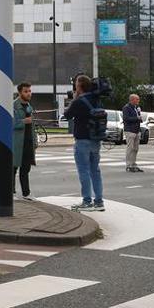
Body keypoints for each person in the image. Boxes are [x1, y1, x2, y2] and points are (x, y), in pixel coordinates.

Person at [65, 74, 106, 211]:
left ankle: (87, 201)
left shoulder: (79, 101)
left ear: (79, 86)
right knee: (95, 170)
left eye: (76, 83)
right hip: (95, 139)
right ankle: (99, 201)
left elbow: (67, 115)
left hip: (82, 139)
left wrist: (75, 98)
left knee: (84, 171)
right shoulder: (97, 99)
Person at [12, 82, 36, 200]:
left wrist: (35, 142)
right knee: (14, 167)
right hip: (17, 142)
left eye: (29, 91)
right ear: (20, 92)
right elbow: (10, 123)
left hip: (28, 142)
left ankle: (26, 193)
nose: (28, 93)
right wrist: (22, 122)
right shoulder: (14, 106)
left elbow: (33, 126)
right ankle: (11, 192)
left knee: (26, 169)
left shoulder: (29, 107)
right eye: (26, 91)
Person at [123, 93, 144, 173]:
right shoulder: (126, 108)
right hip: (130, 130)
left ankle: (134, 164)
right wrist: (137, 118)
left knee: (136, 149)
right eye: (137, 99)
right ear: (132, 100)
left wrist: (139, 118)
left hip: (137, 130)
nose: (138, 101)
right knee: (130, 148)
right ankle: (129, 165)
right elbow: (126, 118)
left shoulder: (137, 108)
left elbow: (139, 117)